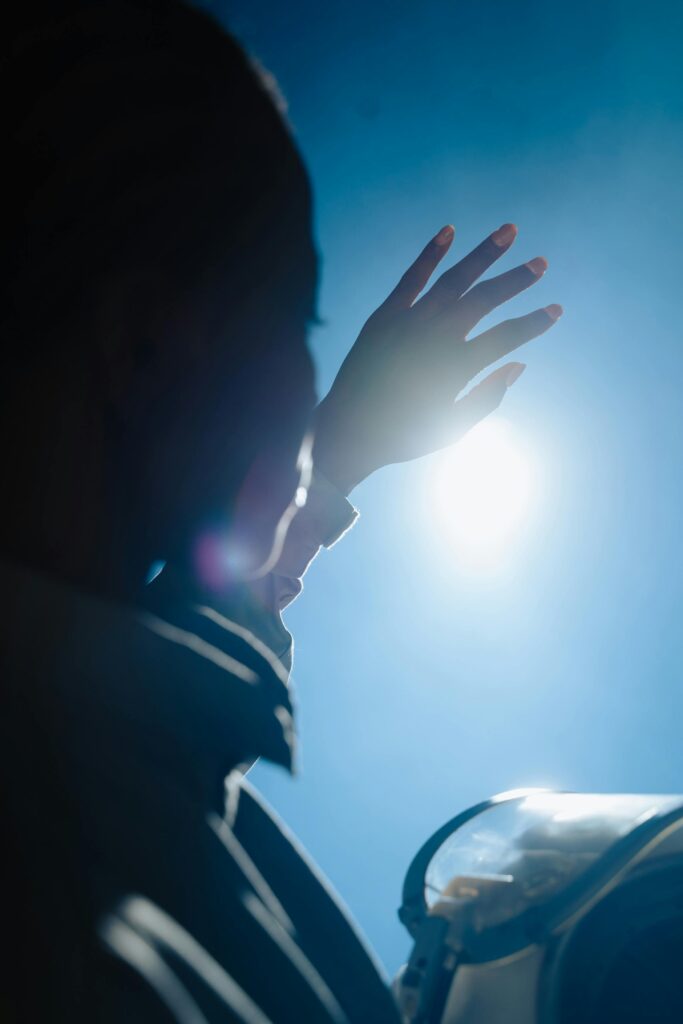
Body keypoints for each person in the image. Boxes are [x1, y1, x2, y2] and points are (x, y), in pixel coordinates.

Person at [0, 1, 563, 1020]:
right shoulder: (83, 920)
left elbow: (187, 633)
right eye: (296, 318)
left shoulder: (109, 735)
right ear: (143, 346)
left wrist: (337, 450)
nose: (313, 382)